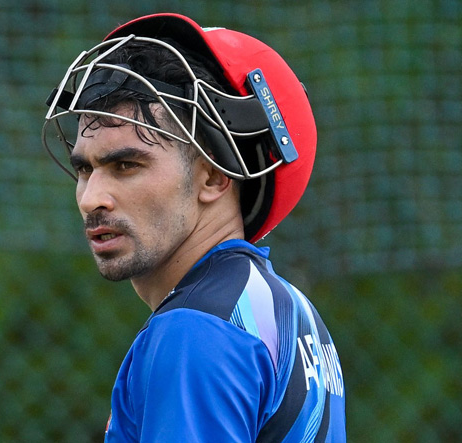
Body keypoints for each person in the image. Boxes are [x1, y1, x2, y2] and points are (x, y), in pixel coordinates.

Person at [42, 13, 346, 442]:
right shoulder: (294, 313)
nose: (92, 197)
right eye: (85, 170)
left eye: (126, 165)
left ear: (214, 177)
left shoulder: (194, 330)